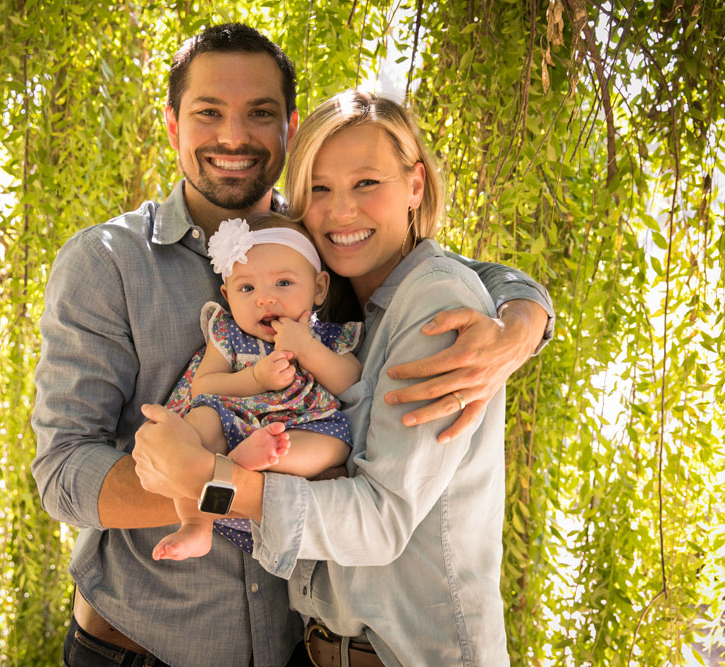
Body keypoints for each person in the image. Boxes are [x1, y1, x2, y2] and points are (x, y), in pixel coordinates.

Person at [32, 23, 553, 667]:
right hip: (142, 650)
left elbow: (441, 270)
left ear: (288, 128)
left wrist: (525, 316)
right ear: (171, 125)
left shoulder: (319, 238)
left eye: (260, 113)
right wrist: (199, 481)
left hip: (294, 652)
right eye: (208, 113)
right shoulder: (107, 262)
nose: (232, 136)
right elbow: (61, 474)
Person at [133, 90, 516, 665]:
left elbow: (382, 521)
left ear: (415, 187)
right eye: (318, 189)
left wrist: (209, 478)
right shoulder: (339, 301)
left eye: (367, 183)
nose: (341, 212)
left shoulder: (435, 305)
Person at [154, 213, 361, 562]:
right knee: (192, 429)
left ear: (319, 287)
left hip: (304, 427)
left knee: (335, 447)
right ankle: (196, 524)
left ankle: (241, 468)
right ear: (227, 295)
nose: (264, 299)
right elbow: (202, 386)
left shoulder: (325, 338)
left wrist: (308, 348)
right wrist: (255, 380)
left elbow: (351, 381)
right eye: (247, 288)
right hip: (234, 419)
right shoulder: (230, 335)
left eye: (283, 283)